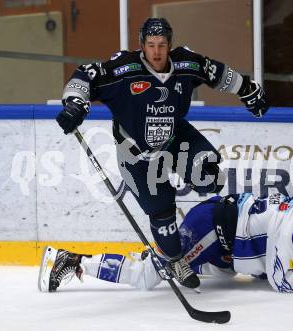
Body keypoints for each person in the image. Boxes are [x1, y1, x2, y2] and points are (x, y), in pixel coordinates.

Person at [55, 17, 268, 289]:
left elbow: (216, 72)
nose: (156, 52)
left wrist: (248, 89)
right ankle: (176, 260)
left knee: (210, 175)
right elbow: (85, 74)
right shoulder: (124, 69)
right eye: (151, 45)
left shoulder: (185, 64)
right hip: (136, 154)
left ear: (170, 45)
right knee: (162, 211)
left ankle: (186, 180)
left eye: (162, 45)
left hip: (175, 136)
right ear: (141, 45)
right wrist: (75, 104)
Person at [38, 180, 293, 293]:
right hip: (209, 232)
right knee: (149, 277)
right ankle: (71, 260)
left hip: (222, 244)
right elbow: (284, 283)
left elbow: (269, 263)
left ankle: (165, 256)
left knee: (200, 272)